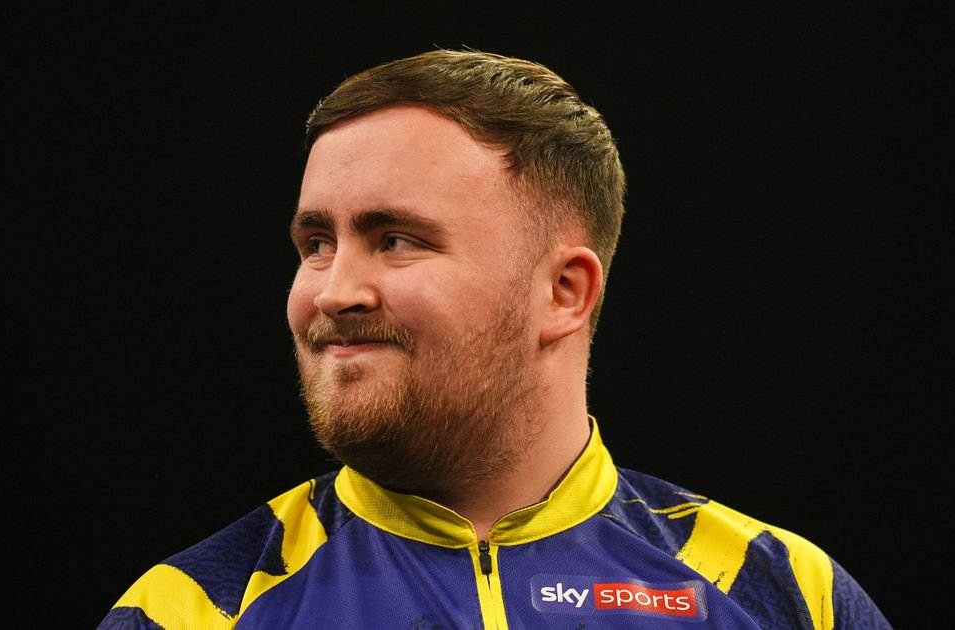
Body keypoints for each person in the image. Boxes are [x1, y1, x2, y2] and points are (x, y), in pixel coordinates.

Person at [97, 49, 892, 629]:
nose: (334, 292)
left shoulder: (788, 596)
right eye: (317, 244)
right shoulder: (191, 610)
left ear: (564, 292)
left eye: (396, 239)